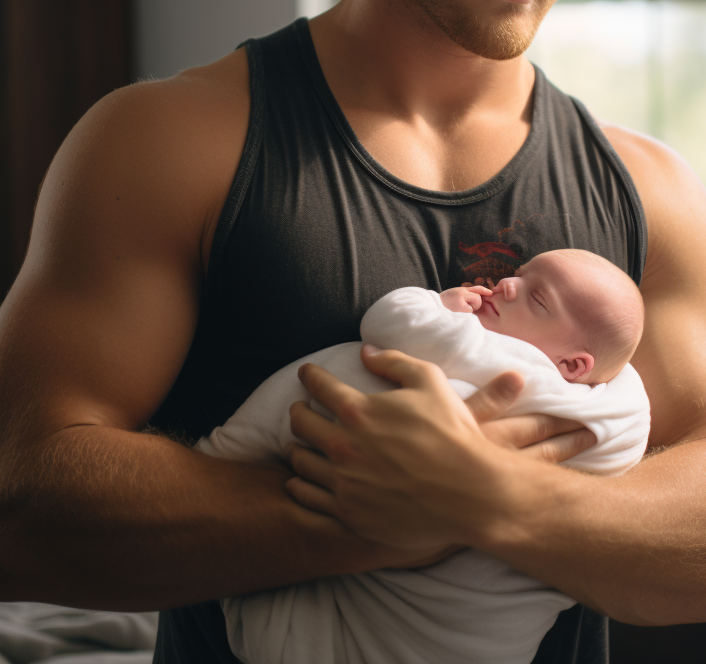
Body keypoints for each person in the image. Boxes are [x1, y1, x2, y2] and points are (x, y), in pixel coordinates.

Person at [0, 0, 706, 664]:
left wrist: (489, 496)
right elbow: (24, 509)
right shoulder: (164, 142)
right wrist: (369, 519)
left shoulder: (646, 187)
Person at [205, 248, 650, 664]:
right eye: (519, 274)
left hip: (397, 610)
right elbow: (632, 427)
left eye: (536, 298)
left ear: (573, 366)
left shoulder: (510, 364)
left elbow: (389, 321)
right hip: (470, 643)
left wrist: (438, 304)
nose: (505, 285)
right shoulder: (610, 408)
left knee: (275, 627)